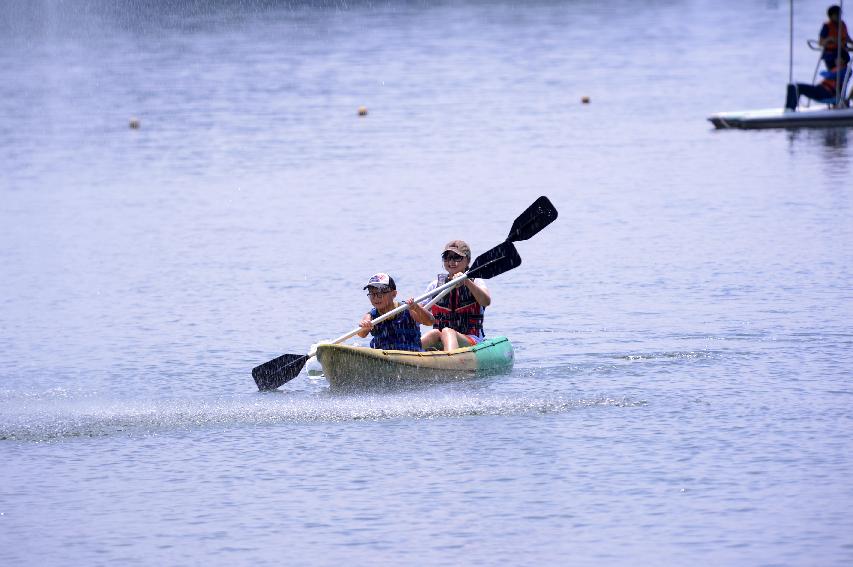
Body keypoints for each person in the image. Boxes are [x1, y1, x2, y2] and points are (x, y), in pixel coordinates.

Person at [420, 240, 491, 351]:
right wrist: (413, 307)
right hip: (441, 336)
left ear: (467, 261)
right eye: (447, 258)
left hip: (471, 339)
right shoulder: (435, 286)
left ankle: (450, 361)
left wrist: (466, 281)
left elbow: (486, 302)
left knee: (448, 331)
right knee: (434, 333)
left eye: (457, 257)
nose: (451, 262)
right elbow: (420, 314)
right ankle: (406, 354)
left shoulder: (476, 281)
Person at [356, 273, 434, 351]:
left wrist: (417, 308)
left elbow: (430, 322)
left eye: (380, 293)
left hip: (410, 353)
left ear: (394, 294)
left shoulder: (408, 309)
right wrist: (364, 327)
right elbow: (361, 334)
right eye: (372, 294)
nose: (376, 298)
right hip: (383, 355)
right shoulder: (371, 316)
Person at [786, 49, 850, 111]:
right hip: (821, 90)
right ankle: (790, 108)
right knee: (793, 86)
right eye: (836, 58)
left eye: (838, 58)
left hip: (826, 93)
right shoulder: (837, 69)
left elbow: (830, 75)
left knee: (795, 87)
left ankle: (790, 109)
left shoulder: (845, 70)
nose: (836, 60)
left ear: (843, 60)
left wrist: (827, 73)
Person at [820, 5, 851, 70]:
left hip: (843, 53)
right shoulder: (826, 26)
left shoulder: (842, 24)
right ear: (831, 16)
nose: (839, 16)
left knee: (846, 72)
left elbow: (846, 37)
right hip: (831, 55)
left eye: (840, 14)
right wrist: (830, 39)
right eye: (837, 14)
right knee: (837, 71)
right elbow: (821, 42)